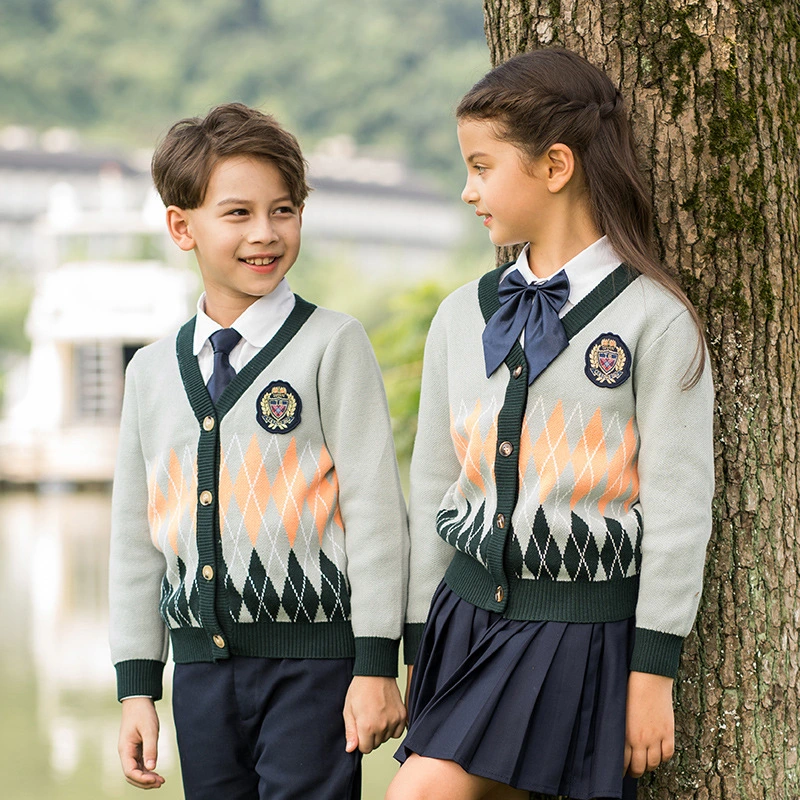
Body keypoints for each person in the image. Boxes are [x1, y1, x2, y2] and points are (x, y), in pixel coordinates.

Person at [388, 48, 714, 800]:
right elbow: (435, 480)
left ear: (555, 165)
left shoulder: (652, 322)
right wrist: (419, 637)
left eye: (482, 166)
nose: (468, 191)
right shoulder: (459, 315)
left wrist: (653, 673)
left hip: (573, 632)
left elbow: (678, 511)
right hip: (462, 621)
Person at [109, 102, 409, 799]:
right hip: (201, 677)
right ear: (182, 226)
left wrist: (375, 665)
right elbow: (135, 540)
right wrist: (135, 687)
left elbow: (374, 514)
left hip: (316, 671)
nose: (265, 234)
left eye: (284, 210)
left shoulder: (333, 345)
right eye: (238, 214)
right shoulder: (151, 372)